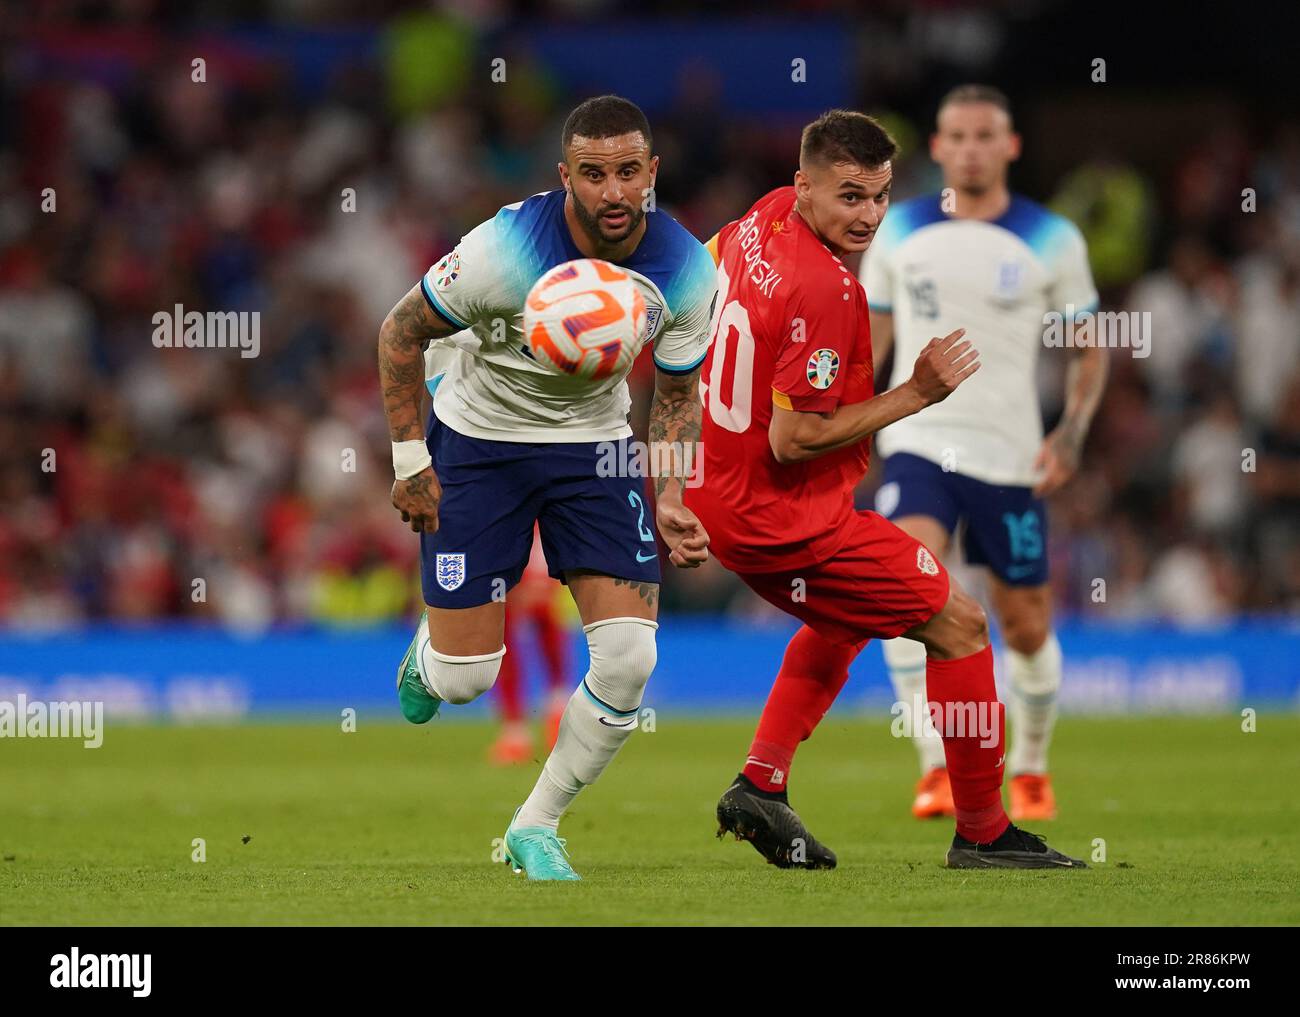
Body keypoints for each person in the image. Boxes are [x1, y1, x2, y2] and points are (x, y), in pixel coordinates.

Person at [685, 109, 1085, 869]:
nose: (868, 215)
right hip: (782, 516)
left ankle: (761, 783)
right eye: (850, 197)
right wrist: (917, 392)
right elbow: (793, 436)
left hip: (724, 491)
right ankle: (983, 831)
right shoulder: (827, 290)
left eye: (879, 196)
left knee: (845, 619)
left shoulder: (762, 217)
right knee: (961, 624)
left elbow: (699, 273)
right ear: (806, 187)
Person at [378, 95, 714, 880]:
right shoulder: (503, 250)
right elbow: (399, 333)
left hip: (592, 448)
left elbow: (674, 395)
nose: (613, 191)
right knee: (467, 680)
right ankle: (429, 659)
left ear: (652, 173)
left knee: (630, 657)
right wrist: (408, 462)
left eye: (629, 171)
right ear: (567, 177)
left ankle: (537, 824)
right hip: (477, 443)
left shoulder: (687, 267)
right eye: (594, 174)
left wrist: (671, 495)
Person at [861, 85, 1105, 821]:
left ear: (1010, 145)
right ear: (936, 149)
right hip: (916, 440)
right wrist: (843, 427)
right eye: (956, 136)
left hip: (1008, 453)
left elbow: (1088, 349)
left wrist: (1071, 432)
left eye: (984, 135)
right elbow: (869, 345)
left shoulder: (1053, 238)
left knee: (1025, 621)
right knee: (904, 591)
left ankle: (1029, 765)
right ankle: (935, 763)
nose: (970, 148)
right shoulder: (898, 230)